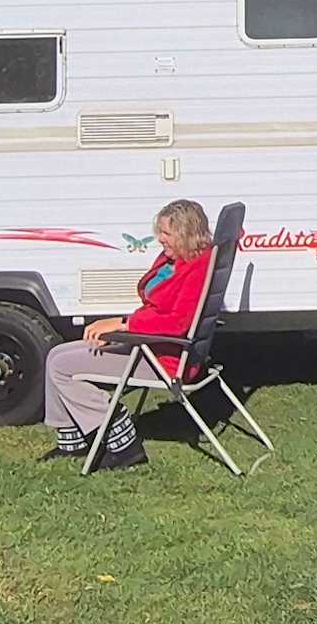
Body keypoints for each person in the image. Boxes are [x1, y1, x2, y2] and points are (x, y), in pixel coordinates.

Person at [40, 199, 215, 470]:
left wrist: (124, 325)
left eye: (166, 233)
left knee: (62, 366)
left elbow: (177, 322)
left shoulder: (196, 267)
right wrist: (125, 328)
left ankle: (122, 439)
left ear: (186, 233)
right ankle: (73, 440)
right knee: (55, 355)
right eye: (160, 232)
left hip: (162, 357)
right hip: (148, 344)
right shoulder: (175, 260)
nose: (160, 239)